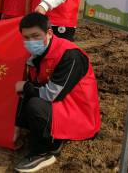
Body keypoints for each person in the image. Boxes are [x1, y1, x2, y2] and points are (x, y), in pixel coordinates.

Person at [14, 13, 100, 172]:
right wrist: (17, 125)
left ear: (49, 33)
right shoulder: (35, 55)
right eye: (26, 38)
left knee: (34, 103)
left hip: (78, 113)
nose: (31, 42)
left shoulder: (70, 55)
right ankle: (34, 129)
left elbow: (52, 94)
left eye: (35, 36)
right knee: (26, 93)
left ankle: (46, 150)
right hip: (60, 106)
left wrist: (25, 87)